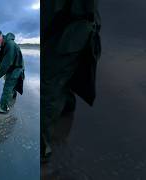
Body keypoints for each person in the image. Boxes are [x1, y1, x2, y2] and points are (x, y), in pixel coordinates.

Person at [41, 0, 102, 177]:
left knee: (48, 88)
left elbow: (50, 12)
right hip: (78, 28)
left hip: (70, 33)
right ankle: (65, 111)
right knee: (64, 76)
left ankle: (41, 150)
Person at [0, 31, 25, 114]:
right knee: (11, 86)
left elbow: (6, 64)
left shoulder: (10, 45)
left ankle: (4, 108)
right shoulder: (3, 45)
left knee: (8, 87)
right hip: (12, 67)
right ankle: (10, 102)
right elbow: (0, 58)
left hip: (16, 68)